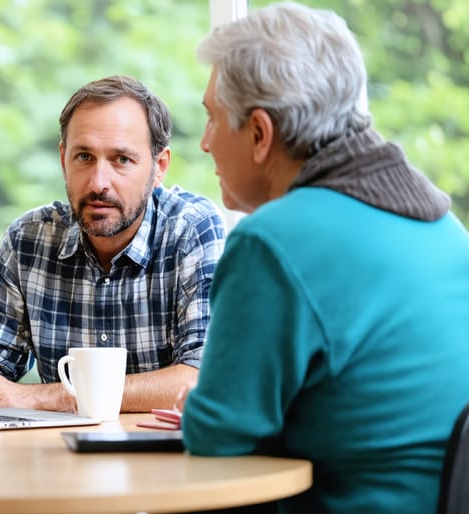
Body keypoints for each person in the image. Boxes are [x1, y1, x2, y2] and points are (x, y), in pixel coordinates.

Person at [181, 3, 469, 514]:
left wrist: (201, 408)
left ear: (260, 134)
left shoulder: (273, 240)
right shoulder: (445, 228)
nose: (204, 143)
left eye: (212, 117)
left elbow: (216, 441)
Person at [0, 75, 227, 413]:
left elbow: (201, 377)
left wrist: (56, 395)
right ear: (63, 160)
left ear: (159, 167)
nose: (99, 183)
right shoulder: (28, 240)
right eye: (84, 157)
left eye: (121, 160)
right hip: (55, 459)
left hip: (161, 460)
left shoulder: (192, 230)